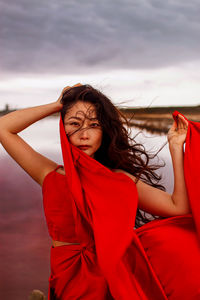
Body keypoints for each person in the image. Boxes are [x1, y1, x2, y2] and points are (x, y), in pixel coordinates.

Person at [0, 83, 200, 300]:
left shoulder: (119, 180)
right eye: (74, 124)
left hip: (107, 278)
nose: (84, 134)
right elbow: (3, 127)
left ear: (104, 130)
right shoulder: (50, 174)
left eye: (94, 125)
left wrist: (175, 147)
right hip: (65, 276)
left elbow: (177, 207)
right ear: (62, 128)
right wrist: (57, 104)